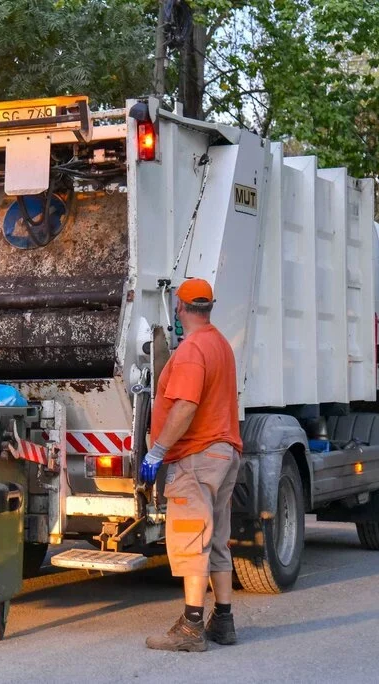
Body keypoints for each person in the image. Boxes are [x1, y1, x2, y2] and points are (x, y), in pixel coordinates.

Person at [140, 278, 243, 653]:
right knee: (216, 538)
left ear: (180, 309)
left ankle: (191, 627)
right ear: (209, 306)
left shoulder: (192, 350)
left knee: (190, 538)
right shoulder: (221, 345)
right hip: (223, 453)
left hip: (197, 458)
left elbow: (185, 405)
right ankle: (224, 621)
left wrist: (157, 451)